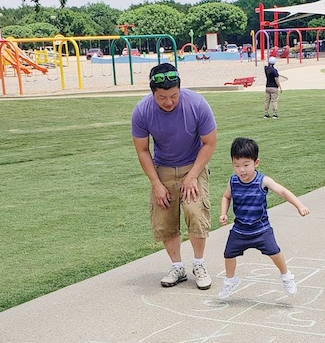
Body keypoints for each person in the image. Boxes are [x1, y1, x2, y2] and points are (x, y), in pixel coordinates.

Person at [131, 63, 217, 290]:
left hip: (193, 165)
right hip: (163, 168)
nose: (168, 102)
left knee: (195, 211)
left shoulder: (197, 104)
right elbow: (142, 150)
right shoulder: (142, 111)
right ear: (152, 93)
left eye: (173, 96)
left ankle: (199, 264)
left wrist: (193, 176)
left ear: (180, 89)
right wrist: (156, 183)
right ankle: (177, 267)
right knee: (164, 218)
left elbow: (210, 143)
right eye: (162, 97)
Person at [218, 137, 310, 300]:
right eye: (237, 165)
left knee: (274, 252)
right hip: (240, 230)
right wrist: (223, 213)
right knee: (228, 255)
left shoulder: (263, 181)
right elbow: (226, 197)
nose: (242, 170)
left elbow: (282, 192)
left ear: (256, 163)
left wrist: (299, 205)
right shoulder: (233, 181)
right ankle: (231, 280)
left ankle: (286, 276)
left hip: (261, 230)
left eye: (246, 165)